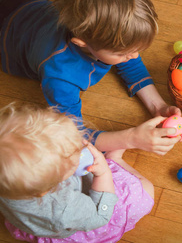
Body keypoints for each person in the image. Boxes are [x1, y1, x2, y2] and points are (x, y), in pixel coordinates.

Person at [0, 0, 182, 155]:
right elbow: (72, 135)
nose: (134, 56)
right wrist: (131, 139)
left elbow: (131, 63)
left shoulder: (99, 33)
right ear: (81, 43)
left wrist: (158, 107)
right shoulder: (60, 75)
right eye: (123, 53)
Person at [0, 103, 155, 242]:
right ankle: (115, 159)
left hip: (31, 222)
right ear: (52, 184)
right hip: (77, 221)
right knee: (146, 191)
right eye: (73, 151)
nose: (81, 145)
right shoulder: (63, 206)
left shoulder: (9, 178)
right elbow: (100, 216)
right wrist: (103, 174)